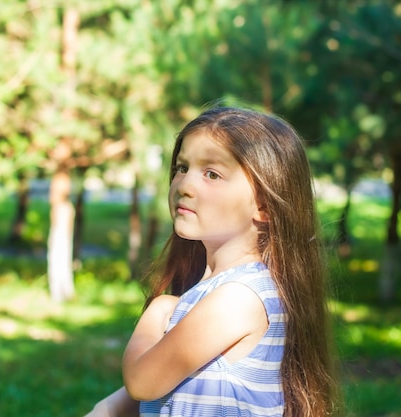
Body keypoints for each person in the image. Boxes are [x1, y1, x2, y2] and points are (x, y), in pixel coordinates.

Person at [85, 106, 340, 417]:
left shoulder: (239, 298)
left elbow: (142, 381)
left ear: (264, 206)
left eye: (212, 174)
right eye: (182, 168)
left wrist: (158, 310)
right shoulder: (216, 291)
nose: (184, 186)